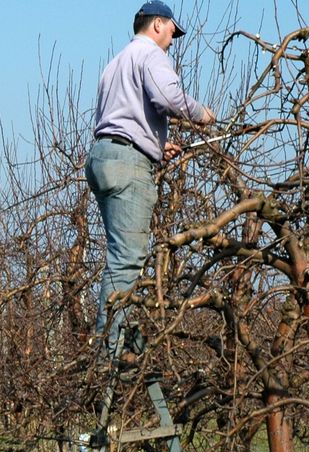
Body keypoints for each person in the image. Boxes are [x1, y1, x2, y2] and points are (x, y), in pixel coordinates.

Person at [86, 0, 214, 354]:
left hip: (104, 156)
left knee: (119, 253)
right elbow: (168, 97)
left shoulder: (117, 62)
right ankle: (110, 352)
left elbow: (123, 117)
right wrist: (203, 114)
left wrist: (158, 145)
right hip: (127, 164)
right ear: (158, 24)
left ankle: (116, 338)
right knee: (127, 258)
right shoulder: (151, 54)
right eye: (173, 31)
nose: (173, 40)